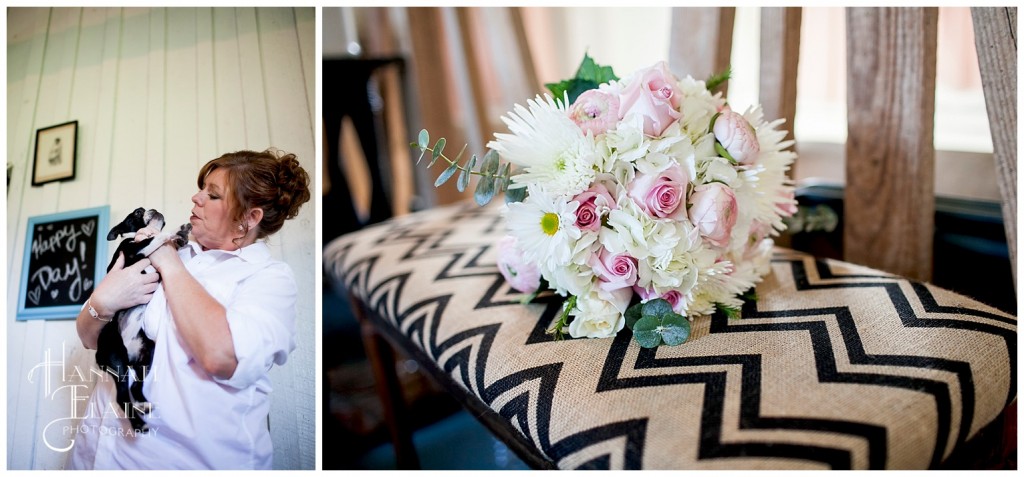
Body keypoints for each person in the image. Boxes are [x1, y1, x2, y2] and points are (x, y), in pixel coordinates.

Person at [68, 149, 311, 470]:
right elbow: (90, 339)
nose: (196, 197)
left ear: (249, 218)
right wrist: (101, 302)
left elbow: (223, 357)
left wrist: (168, 263)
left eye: (213, 194)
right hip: (97, 451)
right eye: (201, 188)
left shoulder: (268, 279)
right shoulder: (171, 249)